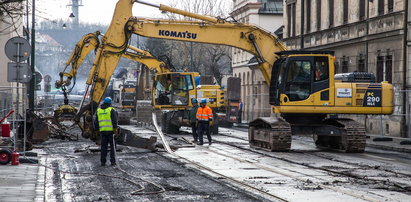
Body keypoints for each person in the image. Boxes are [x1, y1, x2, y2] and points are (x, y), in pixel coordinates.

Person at [95, 97, 118, 166]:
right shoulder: (111, 110)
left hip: (103, 132)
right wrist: (115, 129)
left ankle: (103, 162)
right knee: (113, 147)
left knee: (103, 147)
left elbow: (96, 122)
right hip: (111, 132)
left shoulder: (99, 110)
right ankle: (113, 161)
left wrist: (97, 130)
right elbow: (114, 121)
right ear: (110, 103)